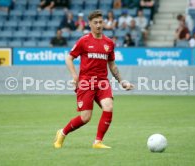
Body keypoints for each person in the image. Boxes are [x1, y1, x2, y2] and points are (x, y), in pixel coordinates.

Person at [53, 10, 134, 149]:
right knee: (85, 118)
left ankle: (98, 142)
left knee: (108, 107)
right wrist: (75, 76)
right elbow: (69, 58)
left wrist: (122, 81)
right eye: (95, 22)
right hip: (86, 82)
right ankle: (62, 132)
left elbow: (112, 65)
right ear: (90, 24)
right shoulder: (83, 41)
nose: (98, 25)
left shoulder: (109, 43)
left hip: (103, 82)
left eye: (100, 22)